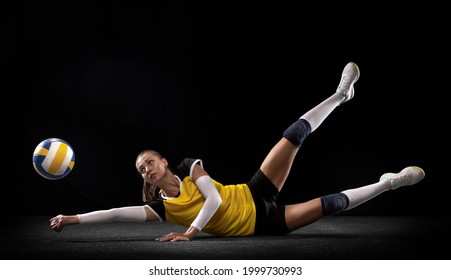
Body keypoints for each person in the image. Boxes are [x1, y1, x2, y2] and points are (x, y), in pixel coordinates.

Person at [50, 62, 425, 242]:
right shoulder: (161, 209)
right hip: (263, 224)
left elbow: (212, 199)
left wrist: (192, 233)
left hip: (253, 192)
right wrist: (70, 218)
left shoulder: (187, 166)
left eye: (148, 162)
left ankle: (341, 95)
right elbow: (115, 213)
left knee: (293, 135)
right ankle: (388, 184)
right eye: (140, 169)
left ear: (163, 162)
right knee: (329, 205)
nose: (145, 169)